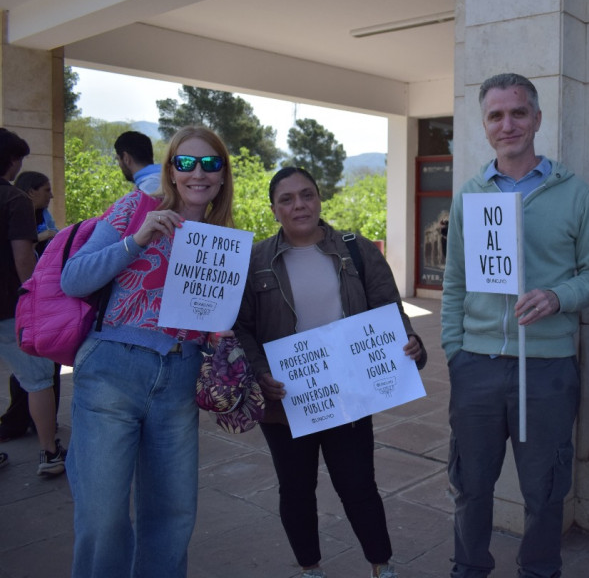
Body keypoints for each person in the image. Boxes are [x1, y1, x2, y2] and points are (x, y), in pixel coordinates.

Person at [441, 73, 589, 578]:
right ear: (485, 126)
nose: (507, 124)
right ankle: (468, 570)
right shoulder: (470, 194)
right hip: (478, 366)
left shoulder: (575, 194)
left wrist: (558, 297)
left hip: (548, 368)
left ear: (537, 118)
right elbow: (455, 283)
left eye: (517, 113)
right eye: (496, 115)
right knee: (470, 485)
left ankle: (539, 571)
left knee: (545, 490)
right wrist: (455, 352)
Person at [233, 166, 426, 578]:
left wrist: (410, 344)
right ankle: (311, 569)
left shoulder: (356, 250)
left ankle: (381, 566)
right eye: (287, 199)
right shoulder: (254, 262)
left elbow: (389, 310)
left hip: (349, 394)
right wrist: (260, 371)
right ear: (273, 209)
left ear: (320, 199)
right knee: (297, 489)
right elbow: (242, 328)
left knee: (358, 486)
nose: (299, 205)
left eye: (307, 195)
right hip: (286, 399)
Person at [61, 126, 235, 577]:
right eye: (187, 163)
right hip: (113, 369)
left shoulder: (222, 236)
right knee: (102, 517)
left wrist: (224, 328)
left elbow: (218, 321)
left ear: (222, 175)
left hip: (179, 374)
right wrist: (135, 240)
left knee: (173, 517)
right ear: (171, 170)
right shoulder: (134, 208)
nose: (198, 173)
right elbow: (74, 279)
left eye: (210, 164)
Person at [0, 129, 66, 476]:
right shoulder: (15, 201)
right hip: (8, 305)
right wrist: (36, 302)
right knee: (39, 379)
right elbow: (23, 258)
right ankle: (49, 452)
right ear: (12, 160)